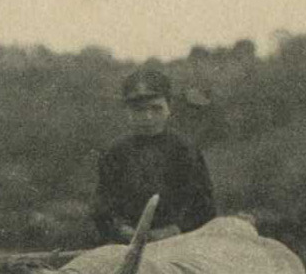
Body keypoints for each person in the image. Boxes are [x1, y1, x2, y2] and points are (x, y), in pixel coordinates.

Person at [91, 66, 216, 243]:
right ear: (127, 111)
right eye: (138, 110)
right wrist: (121, 229)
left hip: (180, 244)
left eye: (156, 108)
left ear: (169, 108)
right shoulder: (115, 153)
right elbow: (102, 209)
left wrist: (173, 230)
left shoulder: (185, 149)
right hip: (127, 245)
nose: (148, 117)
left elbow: (205, 209)